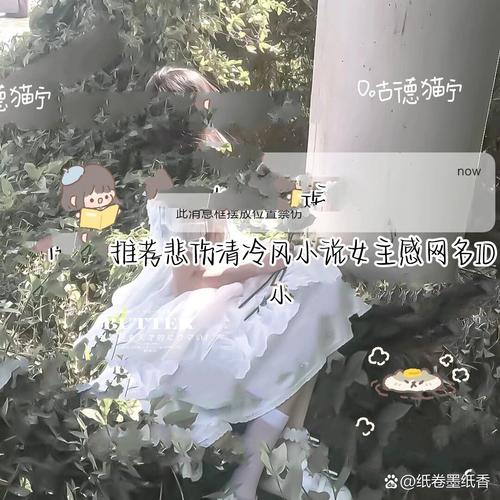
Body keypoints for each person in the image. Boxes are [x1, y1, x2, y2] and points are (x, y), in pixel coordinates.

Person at [76, 66, 371, 500]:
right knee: (311, 312)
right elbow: (187, 281)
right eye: (207, 96)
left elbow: (261, 193)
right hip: (194, 304)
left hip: (224, 279)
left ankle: (283, 462)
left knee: (317, 300)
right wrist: (260, 265)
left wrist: (312, 194)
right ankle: (253, 476)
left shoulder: (211, 154)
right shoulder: (176, 186)